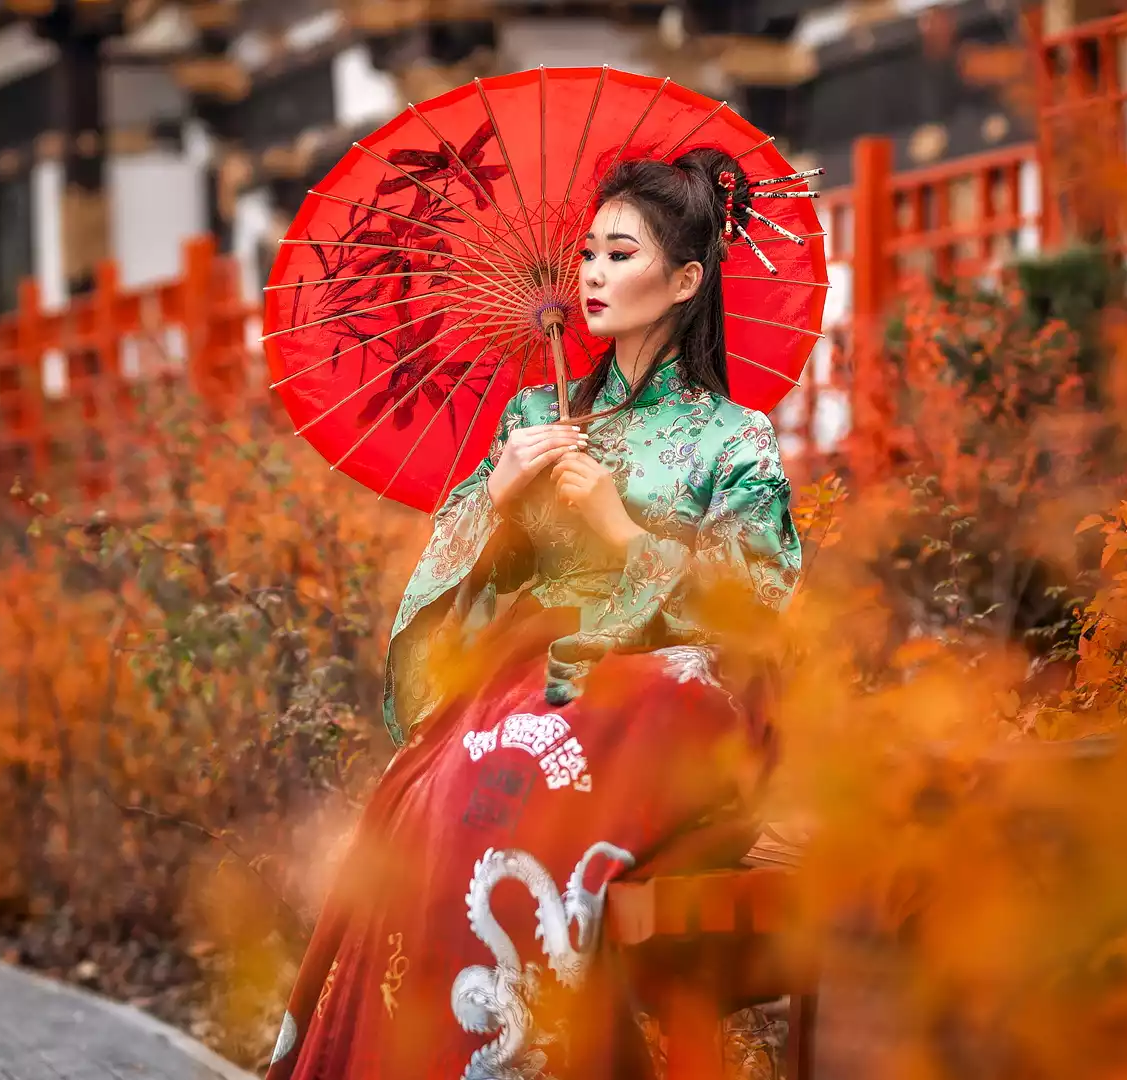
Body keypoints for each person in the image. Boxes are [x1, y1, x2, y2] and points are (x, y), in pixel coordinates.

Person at [266, 146, 806, 1080]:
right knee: (437, 796)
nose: (592, 274)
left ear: (685, 279)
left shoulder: (734, 436)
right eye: (588, 253)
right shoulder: (533, 416)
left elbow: (756, 610)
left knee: (519, 782)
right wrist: (499, 504)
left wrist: (618, 528)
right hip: (531, 688)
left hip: (667, 700)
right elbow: (448, 597)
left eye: (621, 254)